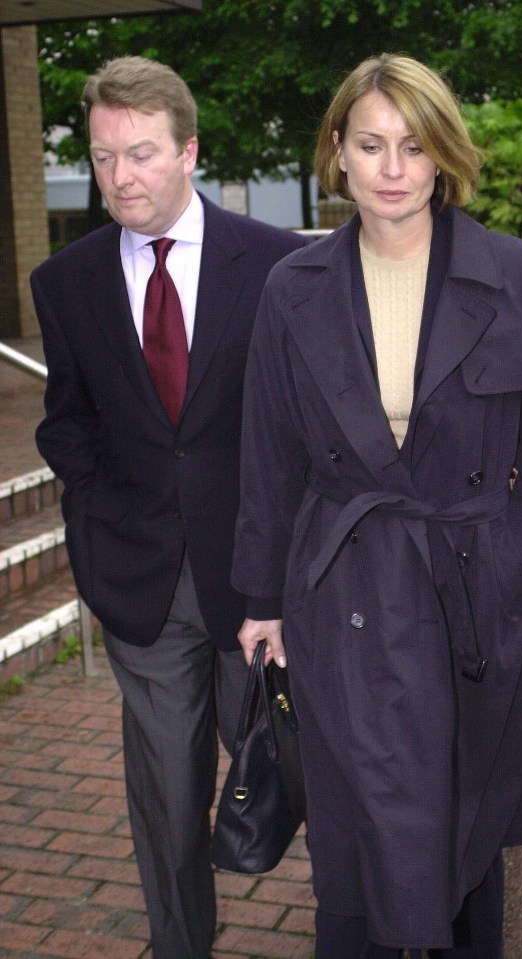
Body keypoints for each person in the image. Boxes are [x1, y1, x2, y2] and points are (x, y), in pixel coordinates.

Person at [233, 54, 522, 958]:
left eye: (413, 145)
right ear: (338, 155)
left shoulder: (519, 279)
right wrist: (263, 600)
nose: (392, 167)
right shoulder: (293, 290)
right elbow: (270, 454)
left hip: (470, 593)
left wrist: (521, 563)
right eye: (370, 144)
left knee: (465, 826)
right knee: (356, 837)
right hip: (341, 591)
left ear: (443, 157)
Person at [31, 56, 306, 959]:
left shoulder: (276, 267)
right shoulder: (64, 282)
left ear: (190, 150)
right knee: (167, 800)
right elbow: (66, 419)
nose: (120, 178)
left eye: (141, 154)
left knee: (300, 775)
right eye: (105, 158)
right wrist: (94, 516)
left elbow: (304, 423)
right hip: (140, 583)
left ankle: (361, 925)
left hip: (257, 580)